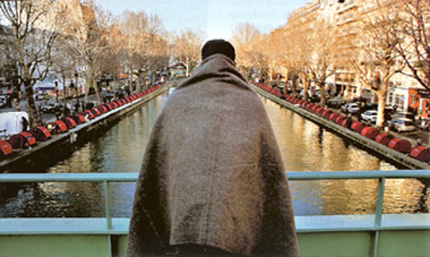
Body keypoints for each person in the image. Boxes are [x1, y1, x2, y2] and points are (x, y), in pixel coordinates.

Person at [126, 39, 299, 257]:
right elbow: (268, 170)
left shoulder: (177, 100)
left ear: (202, 61)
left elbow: (157, 164)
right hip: (235, 235)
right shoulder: (250, 102)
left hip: (181, 234)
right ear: (233, 62)